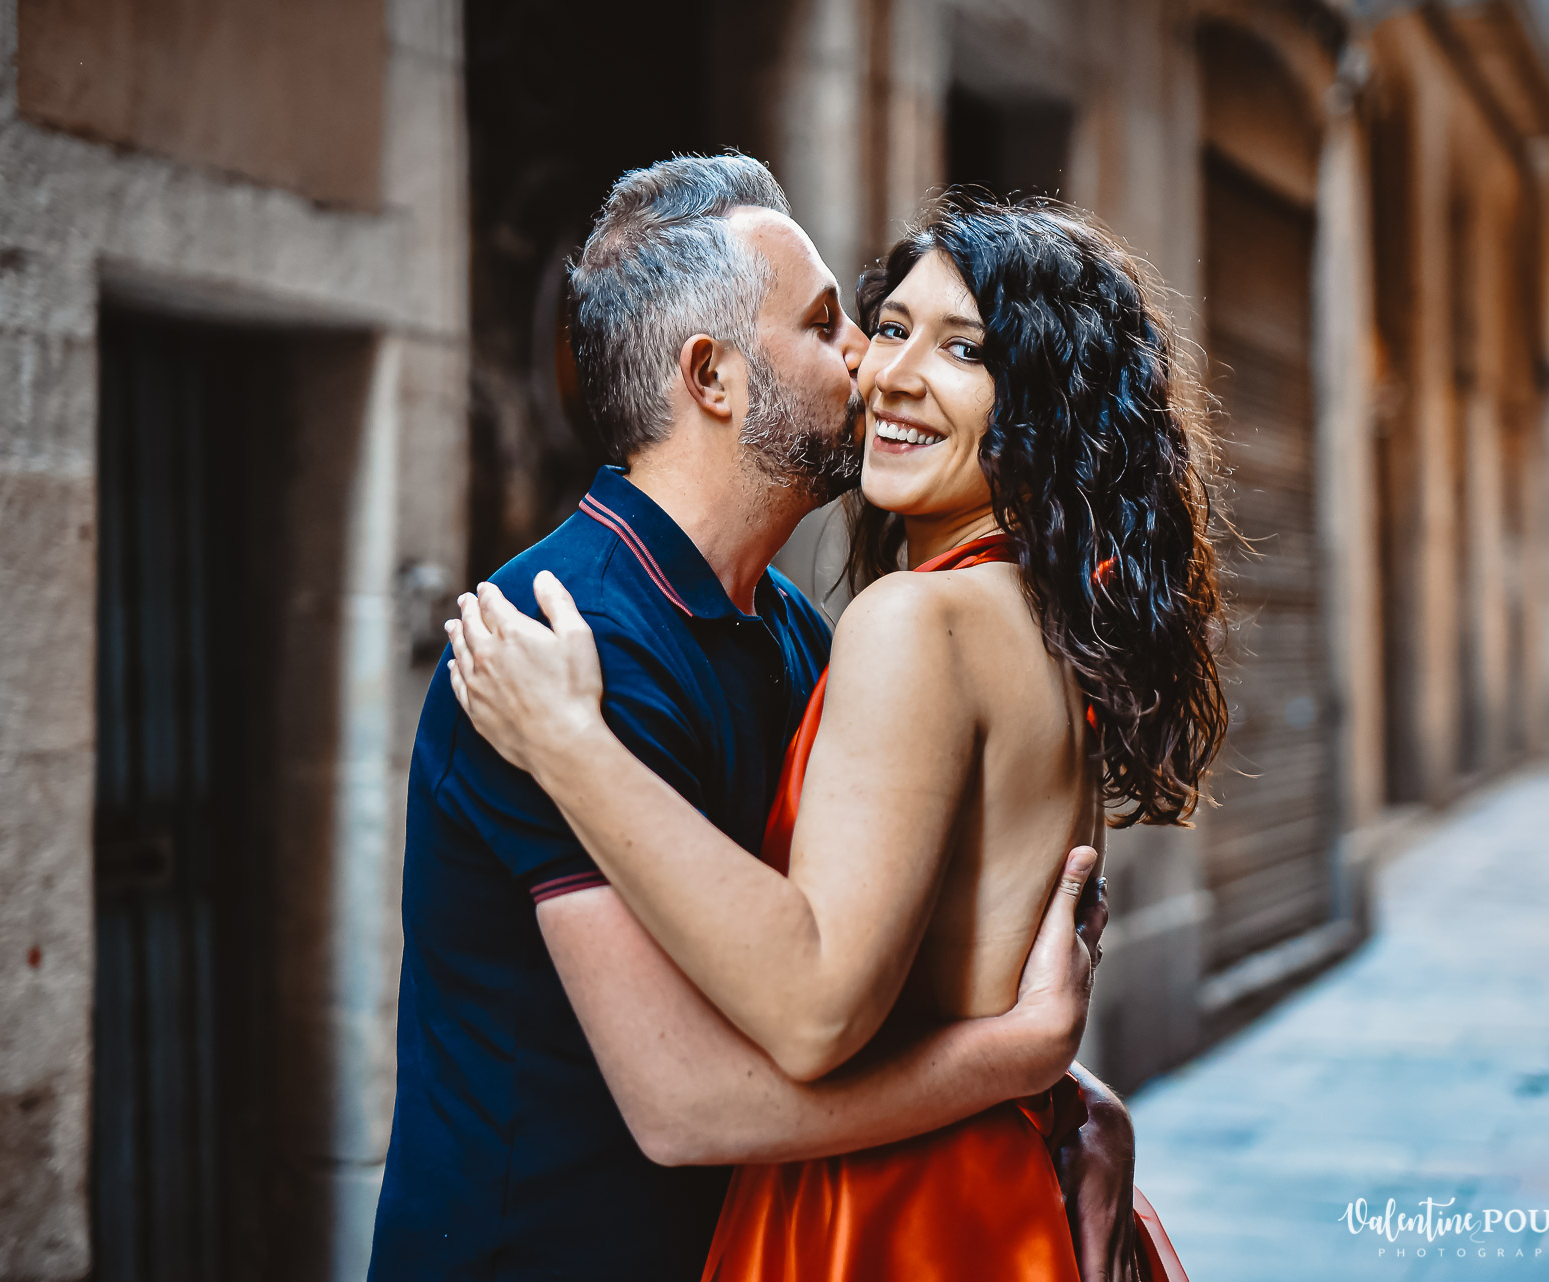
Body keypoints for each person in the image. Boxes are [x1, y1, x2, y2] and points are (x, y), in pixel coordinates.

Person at [368, 157, 1133, 1281]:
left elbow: (888, 948)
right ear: (712, 377)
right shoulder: (559, 647)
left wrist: (1060, 1095)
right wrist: (1017, 1059)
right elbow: (686, 1105)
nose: (868, 359)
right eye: (831, 325)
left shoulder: (796, 632)